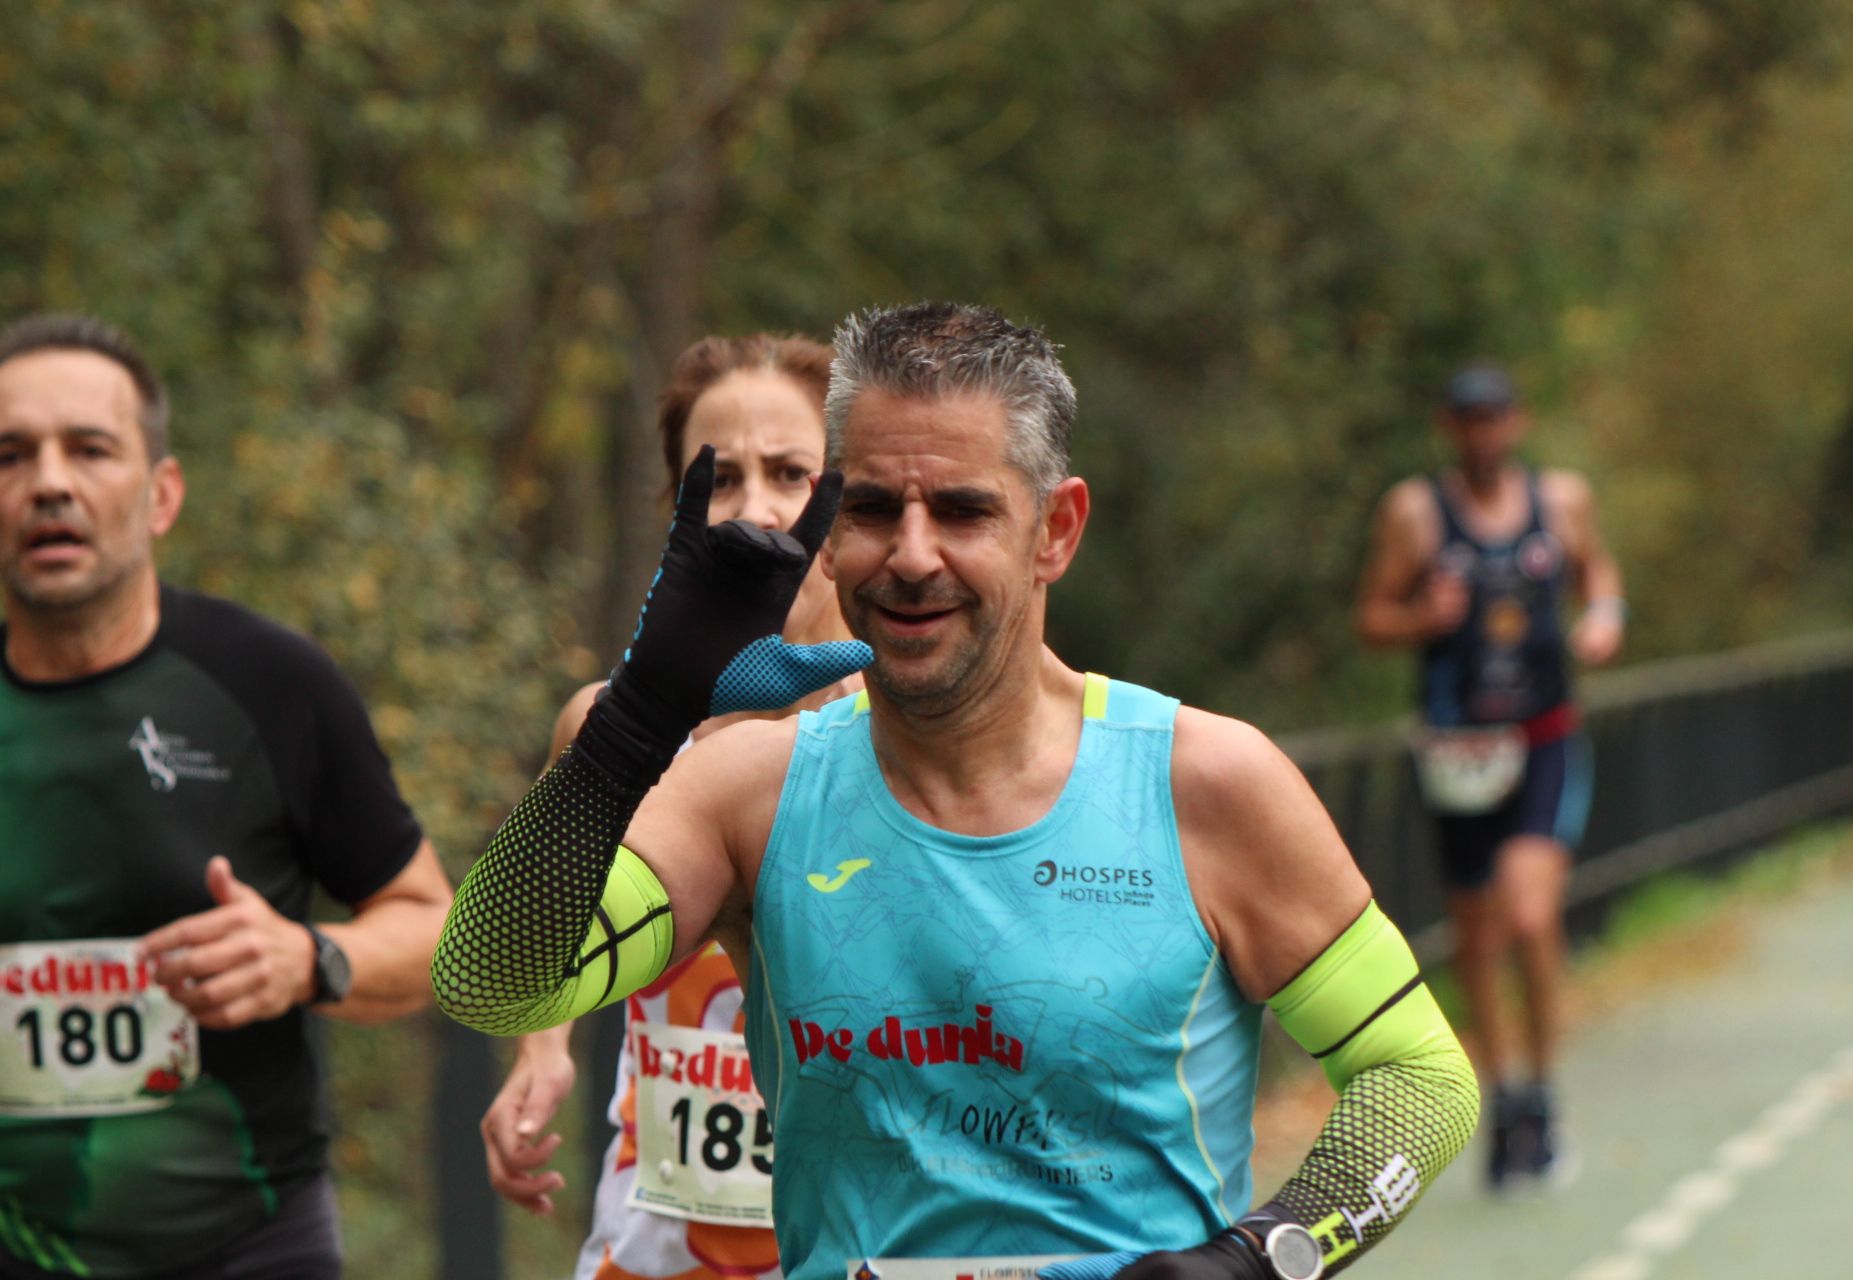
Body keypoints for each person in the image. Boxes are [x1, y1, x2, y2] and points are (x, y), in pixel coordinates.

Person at [435, 302, 1478, 1280]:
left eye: (965, 510)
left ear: (1054, 530)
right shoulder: (747, 792)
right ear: (832, 527)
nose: (913, 555)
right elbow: (494, 984)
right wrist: (641, 714)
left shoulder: (1204, 781)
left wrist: (1265, 1252)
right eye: (877, 508)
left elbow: (1419, 1076)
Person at [0, 314, 453, 1279]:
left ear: (161, 495)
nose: (48, 482)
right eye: (11, 455)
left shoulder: (270, 681)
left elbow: (431, 928)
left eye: (89, 449)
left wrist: (305, 957)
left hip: (249, 1245)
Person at [482, 334, 856, 1280]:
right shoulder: (607, 729)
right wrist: (541, 1056)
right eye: (718, 480)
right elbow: (533, 936)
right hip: (650, 1250)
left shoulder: (914, 738)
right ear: (676, 510)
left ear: (846, 506)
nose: (754, 512)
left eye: (789, 473)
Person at [1352, 363, 1623, 1192]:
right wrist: (1420, 619)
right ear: (1449, 428)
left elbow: (1598, 573)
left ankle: (1543, 1087)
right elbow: (1370, 615)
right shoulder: (1415, 512)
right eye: (1469, 420)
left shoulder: (1563, 500)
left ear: (1519, 422)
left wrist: (1604, 617)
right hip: (1458, 754)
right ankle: (1503, 1096)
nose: (1484, 433)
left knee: (1531, 909)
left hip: (1543, 740)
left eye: (1496, 418)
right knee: (1475, 935)